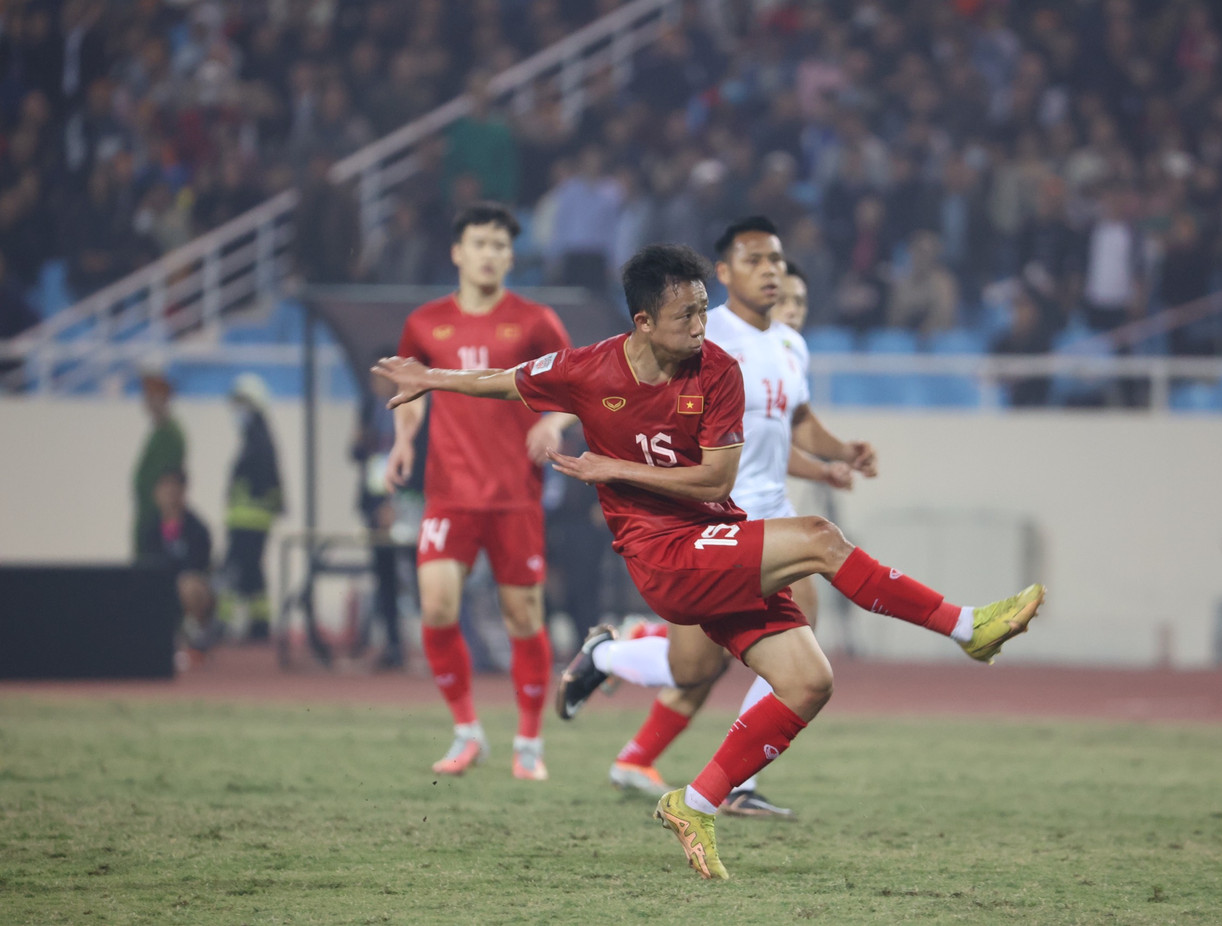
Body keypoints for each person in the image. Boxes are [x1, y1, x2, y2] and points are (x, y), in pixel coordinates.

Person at [372, 243, 1044, 880]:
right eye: (686, 314)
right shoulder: (587, 368)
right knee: (817, 537)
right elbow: (504, 382)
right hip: (660, 556)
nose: (701, 324)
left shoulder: (719, 370)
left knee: (809, 681)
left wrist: (613, 465)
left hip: (710, 534)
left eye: (702, 308)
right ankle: (967, 628)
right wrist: (427, 378)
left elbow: (716, 482)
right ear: (643, 321)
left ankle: (694, 803)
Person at [577, 218, 873, 821]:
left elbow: (792, 425)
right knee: (696, 666)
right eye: (773, 280)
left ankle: (724, 778)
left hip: (774, 509)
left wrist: (839, 456)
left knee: (786, 652)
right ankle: (609, 660)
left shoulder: (790, 347)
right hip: (718, 515)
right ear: (728, 273)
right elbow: (712, 437)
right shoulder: (715, 343)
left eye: (795, 294)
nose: (786, 299)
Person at [387, 202, 574, 782]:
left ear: (510, 256)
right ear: (458, 252)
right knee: (437, 608)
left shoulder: (536, 321)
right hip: (448, 493)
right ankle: (467, 732)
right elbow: (411, 389)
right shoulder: (425, 323)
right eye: (480, 243)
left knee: (522, 616)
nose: (490, 253)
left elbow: (575, 385)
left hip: (515, 492)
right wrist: (403, 442)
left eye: (500, 244)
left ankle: (529, 743)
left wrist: (552, 422)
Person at [350, 360, 418, 670]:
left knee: (421, 578)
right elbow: (357, 454)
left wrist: (397, 502)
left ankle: (430, 646)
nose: (376, 385)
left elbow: (419, 457)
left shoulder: (412, 408)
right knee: (385, 578)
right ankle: (392, 646)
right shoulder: (368, 409)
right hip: (376, 505)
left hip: (408, 506)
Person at [222, 372, 285, 643]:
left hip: (249, 519)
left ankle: (223, 623)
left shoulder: (257, 440)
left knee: (234, 569)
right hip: (251, 518)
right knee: (252, 572)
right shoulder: (257, 436)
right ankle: (260, 623)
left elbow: (260, 481)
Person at [136, 467, 219, 654]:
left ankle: (196, 635)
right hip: (159, 583)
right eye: (165, 490)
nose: (170, 495)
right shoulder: (151, 530)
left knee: (189, 587)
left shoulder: (197, 528)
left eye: (175, 489)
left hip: (190, 585)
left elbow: (199, 565)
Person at [131, 363, 186, 559]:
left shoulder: (170, 435)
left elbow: (169, 483)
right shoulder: (158, 433)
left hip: (158, 525)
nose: (148, 399)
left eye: (154, 393)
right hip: (147, 521)